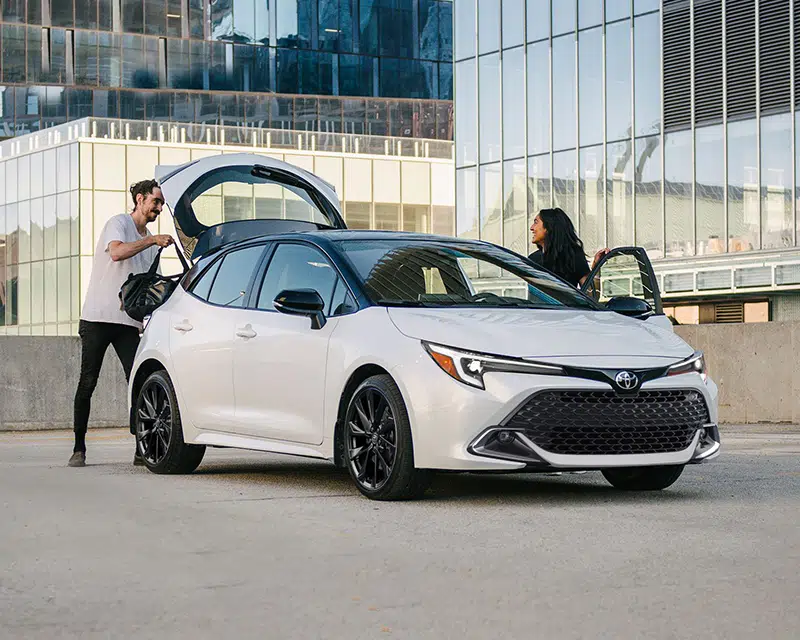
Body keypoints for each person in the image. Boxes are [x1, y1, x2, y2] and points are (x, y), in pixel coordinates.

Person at [68, 180, 174, 468]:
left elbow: (152, 287)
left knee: (139, 382)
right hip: (97, 318)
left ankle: (142, 448)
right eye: (155, 201)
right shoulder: (119, 223)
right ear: (140, 199)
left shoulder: (152, 242)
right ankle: (78, 448)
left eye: (161, 204)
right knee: (88, 381)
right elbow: (116, 252)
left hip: (128, 323)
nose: (159, 208)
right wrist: (151, 240)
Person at [528, 207, 608, 288]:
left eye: (536, 222)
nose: (531, 228)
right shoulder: (533, 259)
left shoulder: (573, 255)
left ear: (548, 227)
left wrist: (596, 268)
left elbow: (590, 292)